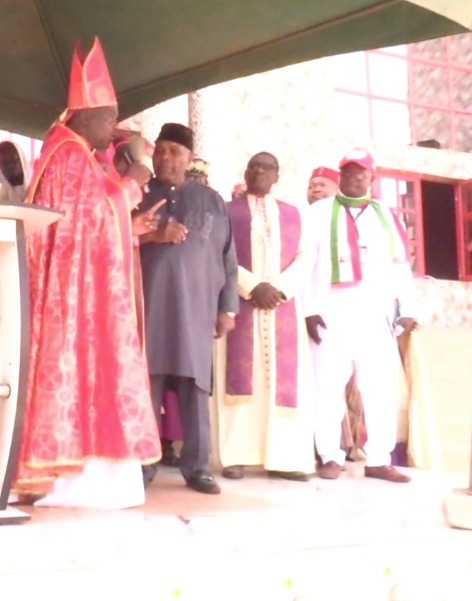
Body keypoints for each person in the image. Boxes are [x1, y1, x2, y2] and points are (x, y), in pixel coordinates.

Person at [13, 38, 161, 505]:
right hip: (72, 297)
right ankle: (71, 479)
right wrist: (134, 182)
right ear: (83, 115)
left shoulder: (69, 152)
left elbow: (90, 220)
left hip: (74, 286)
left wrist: (128, 218)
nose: (114, 126)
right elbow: (91, 217)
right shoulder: (71, 155)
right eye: (109, 116)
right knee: (86, 369)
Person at [302, 149, 415, 484]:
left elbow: (400, 265)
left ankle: (379, 458)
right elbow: (304, 262)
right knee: (327, 386)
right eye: (348, 172)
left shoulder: (386, 215)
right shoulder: (319, 213)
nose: (353, 177)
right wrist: (308, 309)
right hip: (330, 312)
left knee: (378, 388)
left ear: (372, 178)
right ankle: (329, 455)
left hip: (374, 314)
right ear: (341, 176)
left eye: (360, 172)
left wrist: (407, 308)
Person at [138, 123, 238, 495]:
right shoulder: (139, 195)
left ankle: (197, 467)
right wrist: (153, 235)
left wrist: (227, 309)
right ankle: (143, 465)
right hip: (149, 306)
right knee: (146, 385)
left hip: (197, 309)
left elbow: (228, 256)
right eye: (160, 150)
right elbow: (116, 240)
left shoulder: (211, 199)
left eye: (174, 151)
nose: (165, 158)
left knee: (195, 389)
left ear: (189, 157)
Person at [214, 152, 316, 481]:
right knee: (241, 379)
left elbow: (306, 256)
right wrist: (252, 286)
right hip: (241, 304)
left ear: (277, 176)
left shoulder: (293, 215)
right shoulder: (227, 211)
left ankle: (284, 459)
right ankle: (236, 457)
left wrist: (280, 288)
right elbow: (218, 251)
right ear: (246, 171)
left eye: (267, 167)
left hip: (281, 306)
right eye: (254, 166)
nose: (259, 171)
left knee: (284, 386)